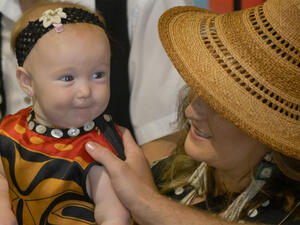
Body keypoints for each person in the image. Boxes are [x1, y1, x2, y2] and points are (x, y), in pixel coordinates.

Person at [85, 0, 300, 224]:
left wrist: (144, 202)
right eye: (198, 89)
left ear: (271, 131)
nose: (190, 111)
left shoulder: (286, 214)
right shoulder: (168, 176)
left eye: (219, 105)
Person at [0, 2, 130, 224]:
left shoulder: (99, 149)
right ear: (27, 82)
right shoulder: (10, 132)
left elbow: (115, 216)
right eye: (68, 78)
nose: (86, 91)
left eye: (98, 74)